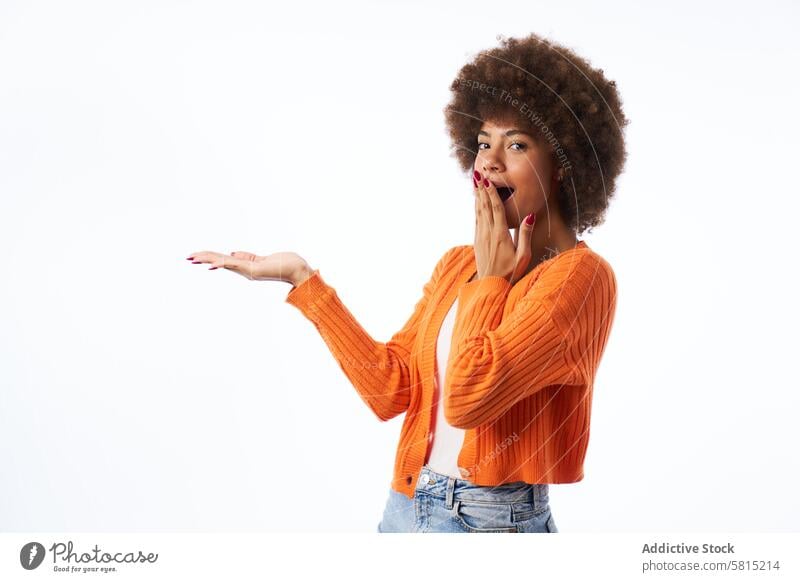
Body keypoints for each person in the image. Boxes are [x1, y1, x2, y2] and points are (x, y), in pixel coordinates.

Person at [186, 32, 628, 533]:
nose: (489, 161)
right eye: (484, 143)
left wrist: (491, 281)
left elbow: (467, 397)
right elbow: (389, 389)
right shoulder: (458, 265)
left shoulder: (581, 278)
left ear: (566, 167)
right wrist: (302, 280)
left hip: (491, 522)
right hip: (406, 504)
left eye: (517, 145)